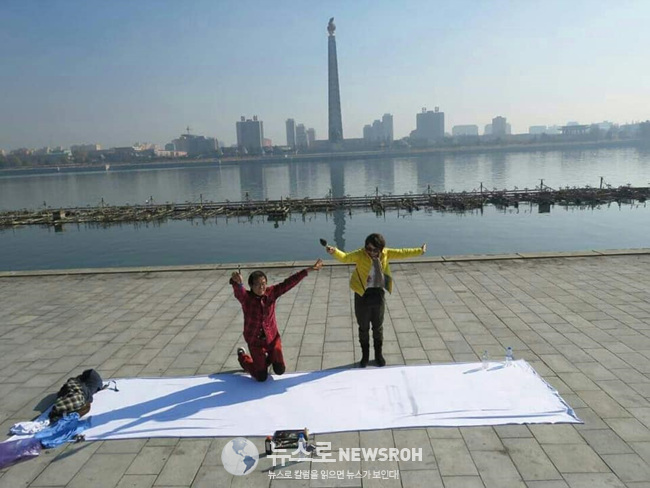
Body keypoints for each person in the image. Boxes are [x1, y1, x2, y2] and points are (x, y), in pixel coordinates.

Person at [326, 234, 426, 368]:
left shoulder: (386, 253)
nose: (371, 252)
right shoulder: (361, 255)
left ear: (381, 249)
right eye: (368, 249)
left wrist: (420, 251)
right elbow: (345, 258)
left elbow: (402, 253)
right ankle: (365, 356)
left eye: (374, 250)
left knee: (378, 327)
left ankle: (378, 354)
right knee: (363, 327)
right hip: (362, 294)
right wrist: (334, 251)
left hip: (378, 293)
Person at [231, 259, 323, 381]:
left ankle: (265, 360)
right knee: (261, 376)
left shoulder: (271, 293)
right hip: (255, 341)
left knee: (280, 369)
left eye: (263, 283)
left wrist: (308, 270)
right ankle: (243, 357)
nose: (261, 287)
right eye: (257, 285)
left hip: (272, 339)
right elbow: (239, 292)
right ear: (251, 286)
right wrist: (236, 283)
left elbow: (289, 283)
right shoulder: (246, 299)